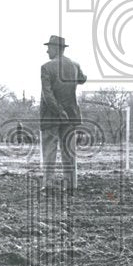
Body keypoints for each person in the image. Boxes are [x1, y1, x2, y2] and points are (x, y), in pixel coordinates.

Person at [40, 35, 87, 194]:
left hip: (51, 116)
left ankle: (49, 185)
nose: (47, 50)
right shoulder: (75, 65)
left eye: (49, 48)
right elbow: (82, 79)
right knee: (69, 151)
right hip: (71, 114)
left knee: (49, 151)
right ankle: (71, 185)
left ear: (55, 48)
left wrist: (59, 112)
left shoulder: (46, 67)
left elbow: (48, 95)